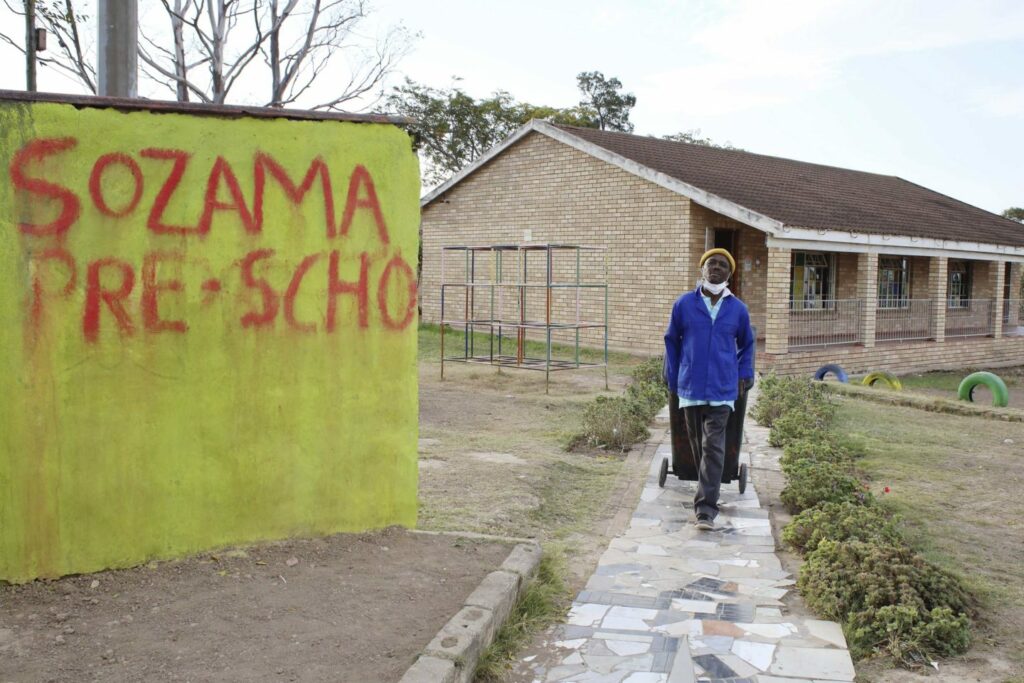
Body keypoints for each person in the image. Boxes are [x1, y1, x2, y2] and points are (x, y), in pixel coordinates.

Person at [663, 248, 755, 531]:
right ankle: (708, 488)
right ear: (702, 269)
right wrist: (673, 375)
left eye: (722, 265)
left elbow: (748, 344)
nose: (716, 268)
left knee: (713, 446)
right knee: (698, 447)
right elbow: (672, 341)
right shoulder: (684, 304)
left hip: (723, 388)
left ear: (730, 273)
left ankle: (705, 509)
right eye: (711, 264)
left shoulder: (738, 309)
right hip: (690, 387)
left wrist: (743, 374)